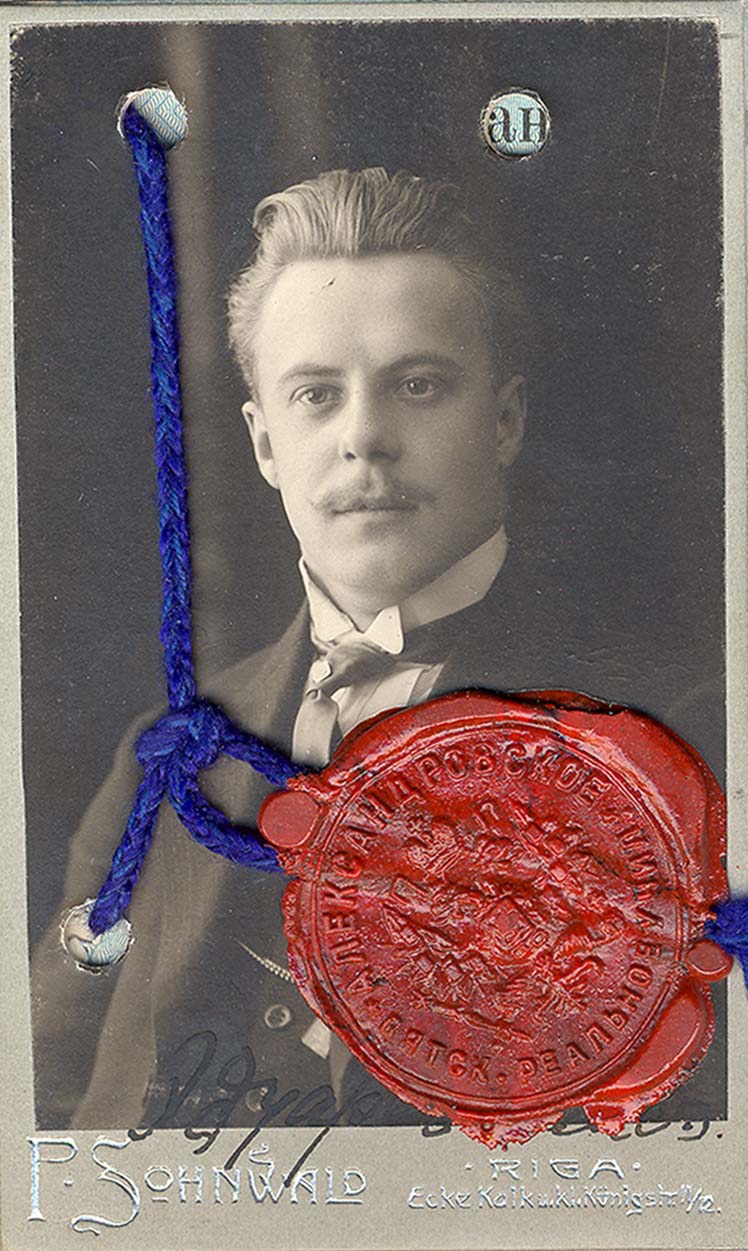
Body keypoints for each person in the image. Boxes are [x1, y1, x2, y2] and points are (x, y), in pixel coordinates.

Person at [31, 167, 724, 1132]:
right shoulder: (170, 748)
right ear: (264, 444)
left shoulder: (680, 735)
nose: (365, 437)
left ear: (505, 420)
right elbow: (40, 1103)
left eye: (417, 385)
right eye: (317, 395)